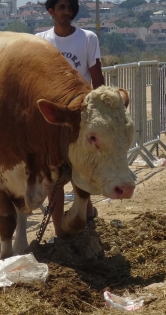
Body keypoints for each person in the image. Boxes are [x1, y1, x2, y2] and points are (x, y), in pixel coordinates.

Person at [36, 0, 103, 234]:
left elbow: (97, 78)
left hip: (78, 118)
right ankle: (59, 231)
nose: (67, 12)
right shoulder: (41, 42)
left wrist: (99, 110)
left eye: (70, 8)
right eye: (61, 7)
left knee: (80, 169)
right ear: (51, 11)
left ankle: (86, 210)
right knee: (54, 176)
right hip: (52, 119)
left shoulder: (88, 39)